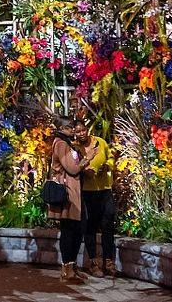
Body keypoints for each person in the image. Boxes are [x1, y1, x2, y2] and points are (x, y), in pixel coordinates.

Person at [49, 116, 93, 282]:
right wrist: (88, 158)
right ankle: (67, 269)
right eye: (69, 127)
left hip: (76, 193)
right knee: (69, 230)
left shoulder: (68, 143)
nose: (72, 130)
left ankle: (72, 266)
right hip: (68, 194)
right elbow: (73, 168)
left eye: (72, 126)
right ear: (61, 128)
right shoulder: (60, 143)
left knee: (78, 228)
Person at [75, 119, 116, 278]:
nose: (81, 134)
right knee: (90, 227)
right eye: (77, 131)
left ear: (87, 129)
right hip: (87, 192)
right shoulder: (76, 149)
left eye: (83, 130)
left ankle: (108, 260)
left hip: (105, 190)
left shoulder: (100, 143)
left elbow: (111, 158)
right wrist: (88, 171)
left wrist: (107, 166)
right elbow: (75, 167)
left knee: (107, 224)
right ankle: (93, 262)